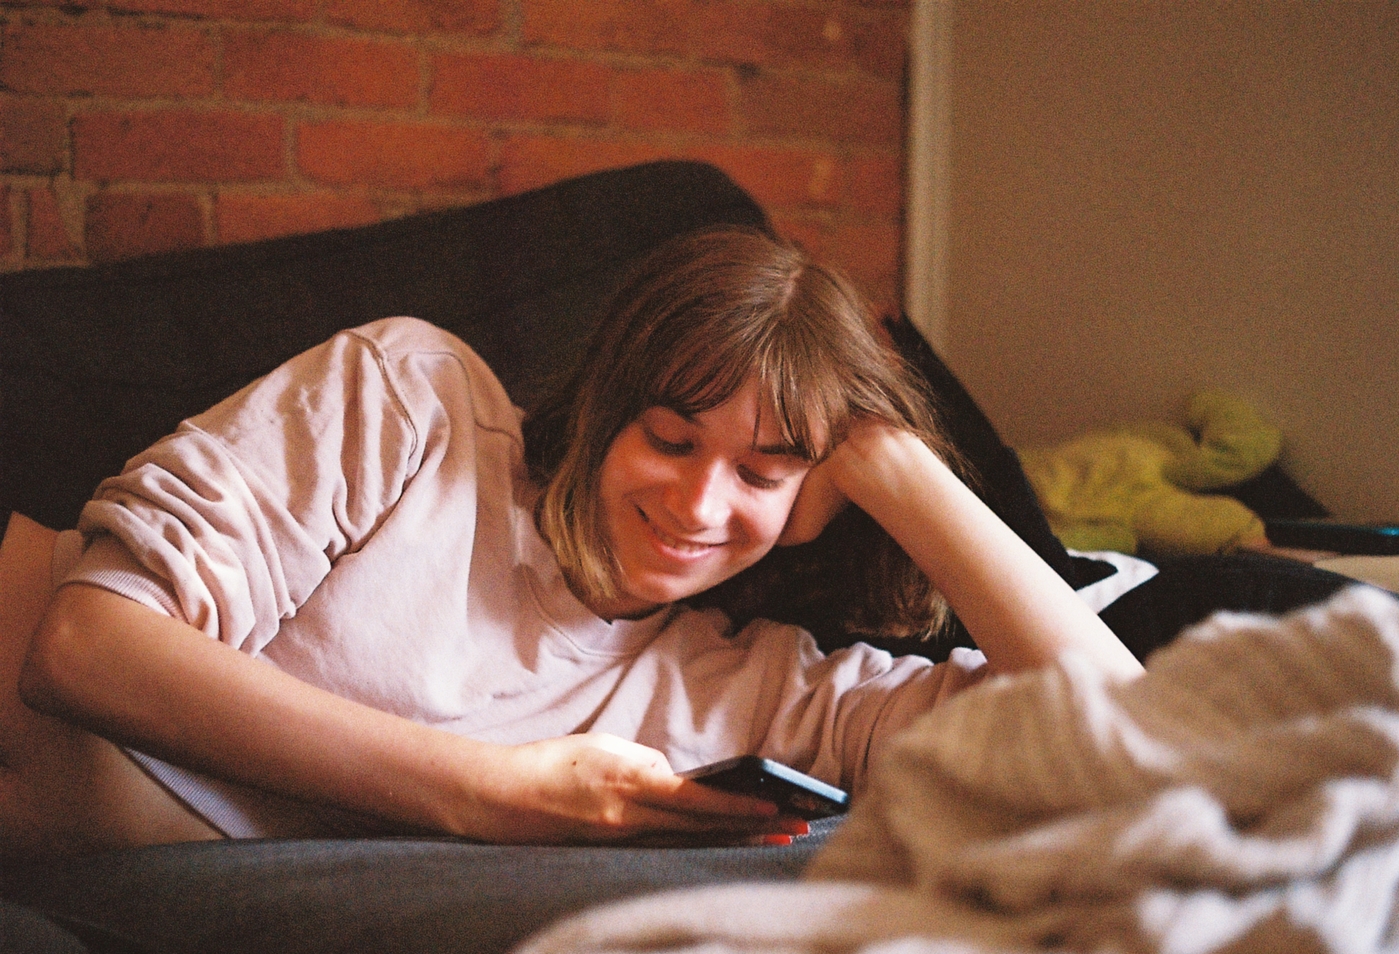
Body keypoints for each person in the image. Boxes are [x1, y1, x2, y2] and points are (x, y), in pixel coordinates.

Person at [2, 227, 1141, 859]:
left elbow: (1132, 748)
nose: (699, 504)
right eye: (670, 437)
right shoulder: (419, 404)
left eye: (760, 470)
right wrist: (485, 788)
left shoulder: (758, 693)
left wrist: (894, 468)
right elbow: (86, 645)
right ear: (607, 403)